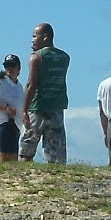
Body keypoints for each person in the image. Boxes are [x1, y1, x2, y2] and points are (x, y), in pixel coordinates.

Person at [20, 23, 71, 164]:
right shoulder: (64, 57)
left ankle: (24, 175)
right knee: (56, 155)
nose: (32, 40)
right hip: (57, 107)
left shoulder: (36, 57)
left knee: (26, 150)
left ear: (45, 37)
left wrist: (24, 110)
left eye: (34, 36)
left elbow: (31, 85)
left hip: (37, 107)